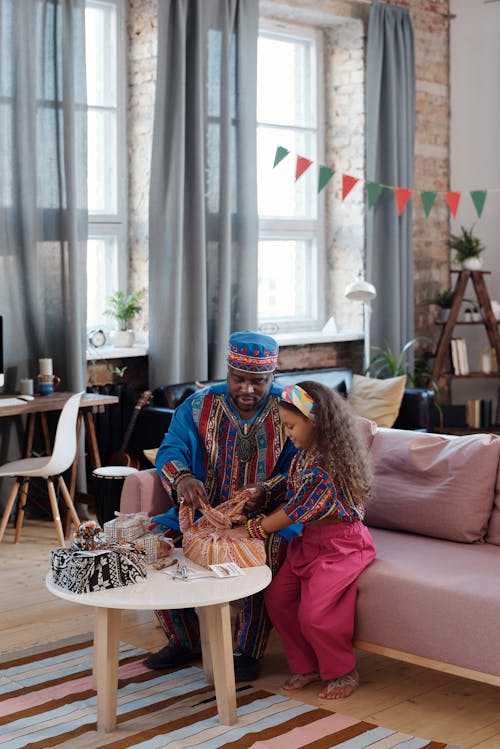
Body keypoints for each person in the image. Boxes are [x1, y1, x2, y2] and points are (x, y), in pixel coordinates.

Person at [142, 330, 297, 681]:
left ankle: (247, 649)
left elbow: (300, 467)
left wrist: (267, 489)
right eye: (238, 379)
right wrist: (182, 479)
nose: (246, 389)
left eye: (257, 381)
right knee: (151, 544)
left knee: (268, 550)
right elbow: (170, 448)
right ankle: (184, 639)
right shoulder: (198, 406)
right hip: (200, 513)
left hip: (266, 517)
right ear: (226, 370)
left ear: (273, 376)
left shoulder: (288, 409)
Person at [225, 380, 376, 699]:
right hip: (311, 541)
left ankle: (343, 671)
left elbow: (296, 509)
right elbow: (291, 486)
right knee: (278, 600)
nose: (288, 433)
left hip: (342, 545)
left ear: (316, 422)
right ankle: (306, 665)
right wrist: (263, 491)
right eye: (284, 425)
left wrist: (251, 529)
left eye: (292, 426)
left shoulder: (327, 466)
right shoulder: (303, 455)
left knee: (315, 614)